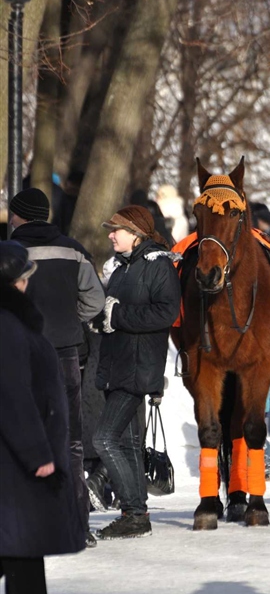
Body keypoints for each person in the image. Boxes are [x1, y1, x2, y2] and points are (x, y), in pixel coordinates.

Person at [10, 187, 105, 548]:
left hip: (22, 354)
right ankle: (77, 524)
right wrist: (70, 321)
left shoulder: (11, 253)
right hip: (65, 354)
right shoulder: (73, 250)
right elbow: (94, 300)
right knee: (71, 441)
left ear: (18, 216)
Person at [0, 241, 84, 594]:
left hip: (14, 459)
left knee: (19, 548)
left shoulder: (12, 323)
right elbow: (13, 397)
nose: (27, 285)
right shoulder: (7, 327)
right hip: (15, 461)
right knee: (18, 546)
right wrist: (38, 455)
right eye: (24, 278)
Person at [89, 205, 181, 540]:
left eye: (117, 230)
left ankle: (135, 512)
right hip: (117, 365)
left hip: (137, 368)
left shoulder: (159, 266)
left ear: (136, 233)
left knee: (104, 438)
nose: (111, 235)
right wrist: (100, 321)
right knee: (126, 443)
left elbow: (165, 314)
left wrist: (118, 316)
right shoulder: (121, 268)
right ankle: (134, 513)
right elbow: (113, 314)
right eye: (110, 229)